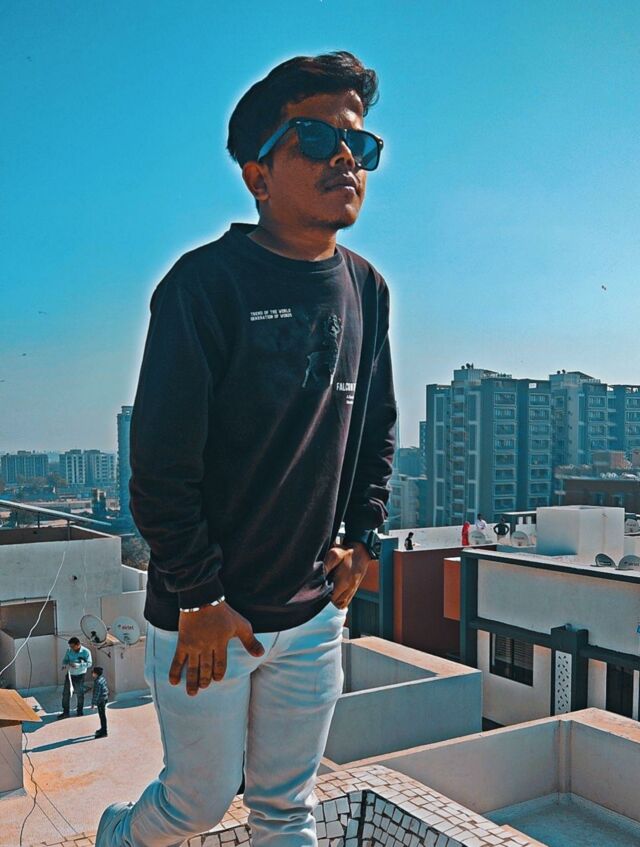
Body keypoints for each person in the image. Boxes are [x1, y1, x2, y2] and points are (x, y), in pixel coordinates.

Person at [96, 51, 395, 847]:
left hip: (312, 612)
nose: (345, 158)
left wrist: (363, 537)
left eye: (360, 145)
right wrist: (198, 597)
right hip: (209, 618)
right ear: (258, 175)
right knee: (194, 806)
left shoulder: (367, 289)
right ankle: (115, 836)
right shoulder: (203, 287)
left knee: (286, 809)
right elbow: (160, 469)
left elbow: (377, 426)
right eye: (317, 138)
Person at [58, 636, 92, 719]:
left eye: (73, 646)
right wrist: (64, 664)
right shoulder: (69, 650)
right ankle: (66, 712)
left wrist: (79, 665)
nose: (71, 648)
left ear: (78, 644)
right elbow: (65, 660)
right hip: (70, 675)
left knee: (79, 694)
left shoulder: (86, 652)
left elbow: (89, 663)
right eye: (70, 646)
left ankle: (79, 711)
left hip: (80, 675)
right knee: (66, 694)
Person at [91, 666, 109, 739]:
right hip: (104, 699)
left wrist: (93, 704)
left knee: (102, 716)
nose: (92, 673)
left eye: (93, 672)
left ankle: (104, 732)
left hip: (100, 701)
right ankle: (103, 728)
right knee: (102, 716)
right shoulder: (102, 679)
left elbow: (96, 694)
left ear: (96, 674)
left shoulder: (97, 682)